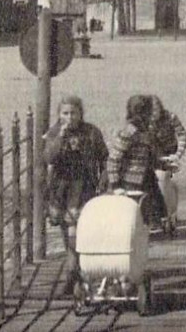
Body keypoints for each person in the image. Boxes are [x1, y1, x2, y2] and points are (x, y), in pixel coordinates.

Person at [44, 95, 109, 296]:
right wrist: (61, 137)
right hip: (61, 189)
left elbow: (104, 157)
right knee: (68, 233)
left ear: (81, 113)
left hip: (84, 188)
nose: (70, 117)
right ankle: (74, 271)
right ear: (59, 114)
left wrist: (104, 178)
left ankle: (74, 273)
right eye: (65, 113)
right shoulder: (54, 133)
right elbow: (49, 157)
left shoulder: (91, 132)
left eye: (74, 113)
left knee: (77, 233)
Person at [108, 95, 167, 228]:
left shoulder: (147, 131)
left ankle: (149, 226)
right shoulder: (129, 133)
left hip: (146, 177)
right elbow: (114, 159)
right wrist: (115, 184)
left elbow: (149, 156)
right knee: (133, 208)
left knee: (153, 205)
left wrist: (163, 164)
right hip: (129, 180)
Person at [149, 95, 186, 233]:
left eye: (156, 110)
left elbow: (182, 135)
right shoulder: (144, 122)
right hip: (152, 157)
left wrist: (177, 155)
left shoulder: (170, 117)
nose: (153, 114)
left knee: (163, 178)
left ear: (160, 108)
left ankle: (169, 213)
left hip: (168, 156)